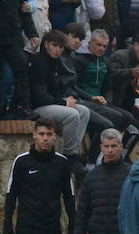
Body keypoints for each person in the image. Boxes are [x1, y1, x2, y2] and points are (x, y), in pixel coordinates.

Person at [29, 29, 92, 166]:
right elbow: (40, 97)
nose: (58, 50)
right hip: (38, 108)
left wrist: (67, 100)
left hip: (52, 104)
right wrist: (64, 102)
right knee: (72, 114)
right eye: (54, 45)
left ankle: (73, 152)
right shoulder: (39, 62)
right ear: (46, 44)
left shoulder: (57, 63)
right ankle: (69, 155)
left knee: (84, 111)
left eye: (61, 47)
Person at [0, 0, 36, 119]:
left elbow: (24, 11)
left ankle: (23, 107)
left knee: (22, 69)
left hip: (13, 36)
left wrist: (32, 33)